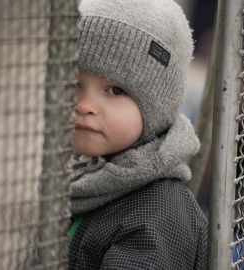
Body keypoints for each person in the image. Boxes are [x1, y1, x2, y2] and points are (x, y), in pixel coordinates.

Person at [67, 0, 208, 269]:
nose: (84, 105)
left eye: (116, 91)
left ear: (157, 108)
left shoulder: (161, 212)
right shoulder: (82, 177)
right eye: (75, 84)